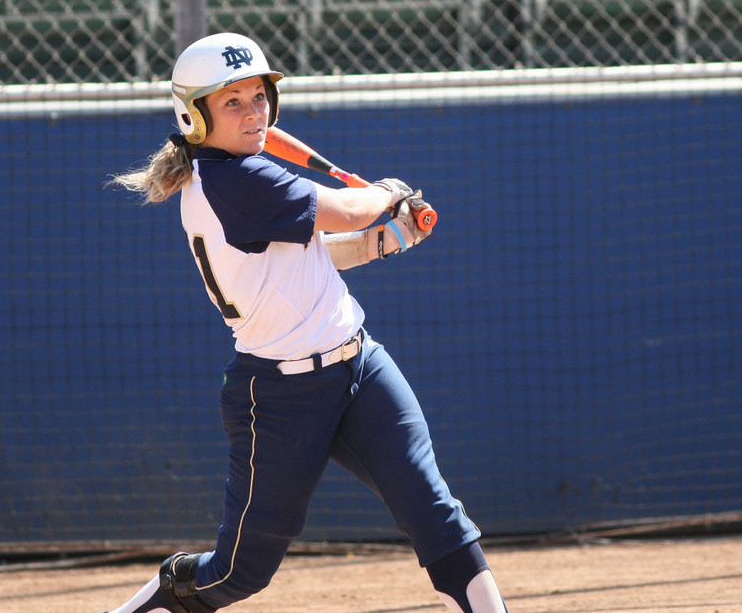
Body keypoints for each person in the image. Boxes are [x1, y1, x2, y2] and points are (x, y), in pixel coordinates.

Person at [101, 32, 509, 613]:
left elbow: (308, 255)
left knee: (434, 512)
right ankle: (165, 593)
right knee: (237, 573)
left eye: (258, 97)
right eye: (232, 102)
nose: (253, 112)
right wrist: (386, 192)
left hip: (360, 367)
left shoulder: (244, 172)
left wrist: (386, 239)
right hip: (279, 395)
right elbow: (345, 210)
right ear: (194, 115)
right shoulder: (235, 181)